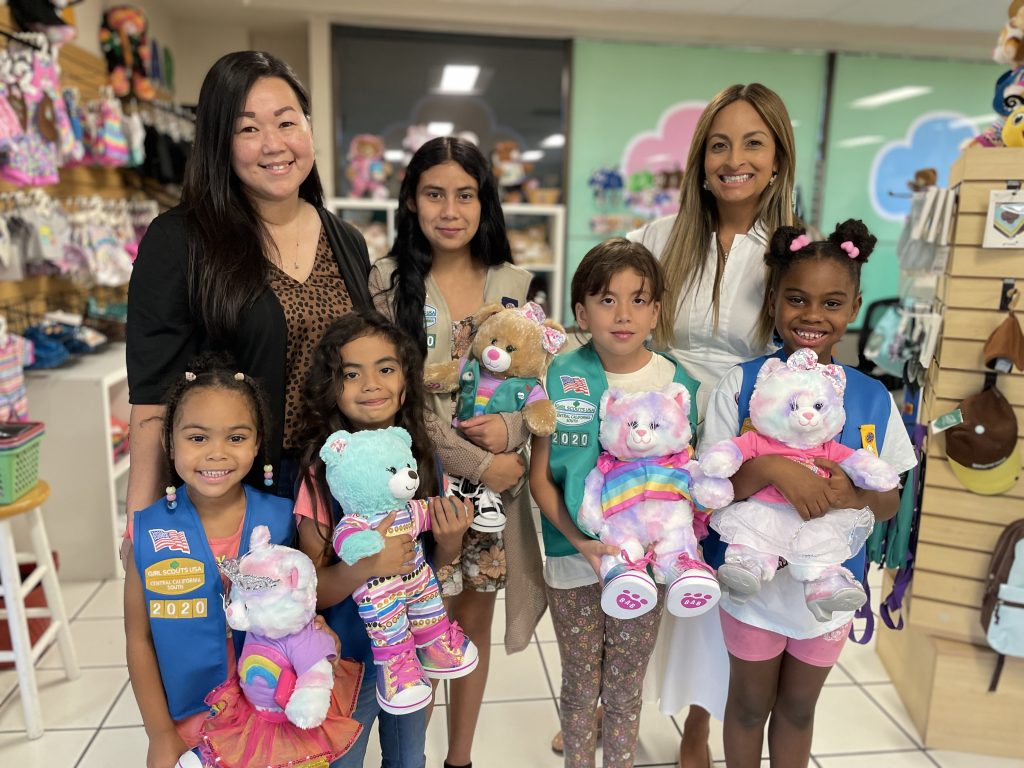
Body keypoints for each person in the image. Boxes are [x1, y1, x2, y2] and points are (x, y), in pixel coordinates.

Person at [618, 82, 798, 768]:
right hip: (654, 425)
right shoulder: (658, 237)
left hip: (741, 434)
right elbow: (616, 316)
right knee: (635, 568)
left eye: (753, 142)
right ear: (699, 158)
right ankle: (611, 704)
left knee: (708, 580)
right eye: (719, 143)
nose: (735, 158)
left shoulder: (789, 249)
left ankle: (696, 726)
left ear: (777, 157)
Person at [126, 50, 373, 546]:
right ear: (219, 141)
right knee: (245, 624)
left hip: (342, 484)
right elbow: (153, 403)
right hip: (235, 492)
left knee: (343, 624)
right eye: (248, 129)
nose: (273, 145)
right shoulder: (180, 240)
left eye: (287, 122)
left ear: (308, 128)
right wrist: (140, 527)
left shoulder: (345, 239)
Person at [699, 220, 917, 767]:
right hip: (753, 584)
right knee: (748, 708)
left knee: (799, 711)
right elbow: (711, 493)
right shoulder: (741, 385)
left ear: (855, 307)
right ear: (774, 300)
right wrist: (772, 467)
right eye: (796, 299)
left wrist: (854, 495)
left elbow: (889, 501)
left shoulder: (871, 399)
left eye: (832, 302)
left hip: (830, 586)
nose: (813, 315)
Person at [369, 136, 545, 768]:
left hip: (497, 491)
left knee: (472, 620)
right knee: (416, 618)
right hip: (410, 481)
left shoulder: (514, 283)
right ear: (411, 203)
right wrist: (477, 461)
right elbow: (392, 392)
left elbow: (537, 381)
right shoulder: (387, 282)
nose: (450, 209)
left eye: (465, 194)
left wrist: (516, 434)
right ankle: (408, 755)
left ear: (484, 202)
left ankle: (460, 758)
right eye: (434, 194)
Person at [124, 355, 355, 768]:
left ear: (257, 443)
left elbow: (301, 607)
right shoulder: (149, 532)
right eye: (197, 438)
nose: (216, 454)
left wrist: (318, 634)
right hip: (188, 717)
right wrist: (158, 733)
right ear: (170, 443)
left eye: (235, 438)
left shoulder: (282, 519)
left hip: (269, 716)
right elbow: (138, 639)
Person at [530, 238, 700, 768]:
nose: (622, 314)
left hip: (642, 567)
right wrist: (581, 542)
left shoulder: (678, 384)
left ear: (655, 311)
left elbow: (687, 477)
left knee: (626, 684)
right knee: (581, 682)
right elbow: (540, 479)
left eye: (638, 299)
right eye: (606, 299)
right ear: (581, 311)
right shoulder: (556, 377)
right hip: (572, 555)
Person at [293, 311, 475, 768]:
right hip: (344, 663)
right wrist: (367, 565)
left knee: (409, 757)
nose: (370, 383)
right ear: (332, 386)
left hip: (410, 654)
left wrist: (450, 539)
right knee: (342, 760)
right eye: (351, 373)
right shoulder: (319, 475)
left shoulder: (422, 463)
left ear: (405, 385)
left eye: (386, 369)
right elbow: (308, 593)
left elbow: (429, 565)